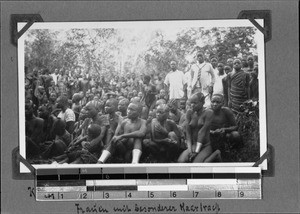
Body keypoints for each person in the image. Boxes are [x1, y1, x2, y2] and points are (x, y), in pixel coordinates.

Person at [178, 92, 214, 163]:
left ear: (202, 102)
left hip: (205, 146)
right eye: (191, 103)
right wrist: (190, 149)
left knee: (196, 164)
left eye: (195, 103)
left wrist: (196, 152)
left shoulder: (209, 113)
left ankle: (216, 154)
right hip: (193, 145)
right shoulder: (189, 112)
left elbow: (202, 132)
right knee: (180, 161)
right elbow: (188, 133)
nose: (192, 105)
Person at [210, 94, 240, 160]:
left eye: (218, 102)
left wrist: (224, 129)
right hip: (210, 136)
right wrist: (212, 132)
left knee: (235, 135)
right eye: (213, 102)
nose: (215, 104)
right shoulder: (207, 112)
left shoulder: (226, 111)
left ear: (222, 103)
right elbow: (201, 128)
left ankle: (235, 153)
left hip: (224, 134)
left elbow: (235, 126)